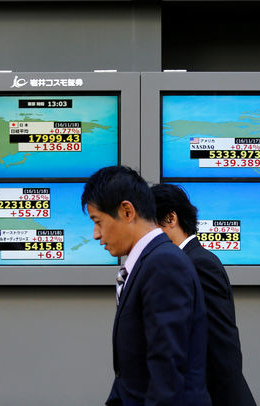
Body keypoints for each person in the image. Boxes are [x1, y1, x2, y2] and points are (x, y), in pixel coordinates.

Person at [82, 166, 212, 406]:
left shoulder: (163, 264)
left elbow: (167, 372)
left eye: (98, 221)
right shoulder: (150, 262)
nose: (95, 234)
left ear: (127, 211)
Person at [151, 183, 257, 406]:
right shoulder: (180, 262)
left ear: (171, 218)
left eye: (149, 226)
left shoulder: (198, 264)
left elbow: (221, 346)